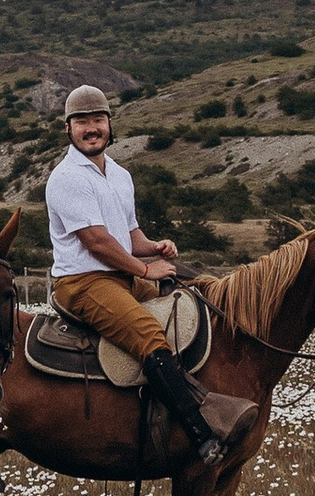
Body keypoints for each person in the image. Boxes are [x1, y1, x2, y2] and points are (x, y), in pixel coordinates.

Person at [46, 85, 254, 463]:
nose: (91, 128)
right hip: (83, 281)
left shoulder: (120, 175)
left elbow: (129, 236)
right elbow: (97, 242)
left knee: (191, 301)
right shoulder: (67, 178)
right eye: (81, 122)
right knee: (148, 334)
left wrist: (156, 247)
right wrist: (145, 269)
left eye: (97, 120)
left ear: (109, 124)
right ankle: (200, 431)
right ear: (68, 128)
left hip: (120, 274)